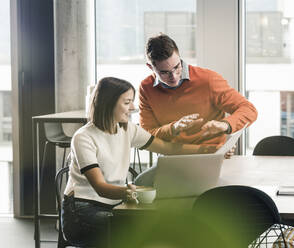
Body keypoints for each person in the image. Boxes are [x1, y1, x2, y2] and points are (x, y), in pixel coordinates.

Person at [61, 77, 217, 247]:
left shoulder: (128, 129)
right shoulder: (84, 137)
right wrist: (130, 192)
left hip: (116, 206)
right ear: (108, 103)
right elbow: (100, 188)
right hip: (81, 212)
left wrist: (208, 150)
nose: (133, 108)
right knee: (139, 231)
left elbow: (167, 148)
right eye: (127, 102)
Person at [135, 34, 258, 185]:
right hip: (172, 160)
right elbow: (148, 135)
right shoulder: (146, 88)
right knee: (141, 183)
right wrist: (173, 128)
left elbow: (249, 109)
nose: (173, 76)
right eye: (164, 72)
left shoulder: (207, 80)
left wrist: (225, 125)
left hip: (211, 159)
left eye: (177, 67)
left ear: (180, 58)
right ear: (150, 67)